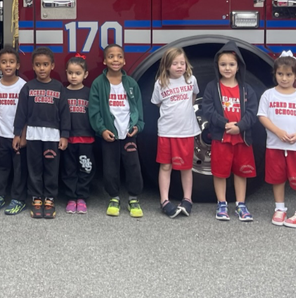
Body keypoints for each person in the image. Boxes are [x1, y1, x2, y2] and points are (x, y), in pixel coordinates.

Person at [199, 42, 260, 222]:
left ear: (238, 66)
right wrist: (225, 124)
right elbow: (207, 109)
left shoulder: (247, 89)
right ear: (217, 66)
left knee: (241, 172)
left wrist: (239, 126)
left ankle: (241, 204)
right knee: (220, 172)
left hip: (242, 139)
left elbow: (252, 112)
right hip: (221, 138)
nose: (227, 68)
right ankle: (222, 203)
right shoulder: (212, 87)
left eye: (231, 64)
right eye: (223, 64)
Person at [257, 50, 296, 228]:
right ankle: (280, 208)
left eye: (288, 74)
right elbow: (262, 116)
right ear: (274, 74)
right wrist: (277, 131)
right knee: (277, 178)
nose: (284, 78)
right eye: (280, 74)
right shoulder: (268, 95)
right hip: (275, 144)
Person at [13, 47, 70, 219]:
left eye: (45, 64)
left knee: (51, 168)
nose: (42, 68)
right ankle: (36, 198)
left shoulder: (59, 87)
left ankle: (50, 199)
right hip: (33, 135)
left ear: (52, 65)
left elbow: (65, 113)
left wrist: (64, 135)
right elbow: (21, 112)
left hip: (52, 135)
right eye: (38, 65)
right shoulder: (28, 87)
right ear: (33, 66)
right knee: (34, 168)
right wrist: (17, 134)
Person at [89, 43, 144, 218]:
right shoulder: (98, 83)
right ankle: (114, 197)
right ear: (105, 61)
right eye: (111, 56)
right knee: (110, 168)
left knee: (133, 165)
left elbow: (138, 110)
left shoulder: (131, 84)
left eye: (119, 56)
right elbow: (94, 111)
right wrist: (102, 129)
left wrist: (138, 126)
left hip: (128, 134)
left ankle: (133, 198)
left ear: (124, 60)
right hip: (109, 135)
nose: (115, 59)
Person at [151, 47, 200, 218]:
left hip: (186, 131)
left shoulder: (191, 80)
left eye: (182, 63)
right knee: (166, 166)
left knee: (186, 167)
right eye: (175, 63)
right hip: (166, 131)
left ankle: (187, 199)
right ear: (166, 66)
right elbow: (158, 103)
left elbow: (193, 97)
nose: (179, 67)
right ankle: (164, 200)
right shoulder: (160, 83)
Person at [0, 48, 27, 215]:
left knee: (19, 169)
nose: (8, 65)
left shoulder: (23, 85)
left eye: (11, 62)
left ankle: (18, 199)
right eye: (4, 62)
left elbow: (26, 114)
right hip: (1, 136)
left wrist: (22, 136)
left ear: (18, 64)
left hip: (17, 136)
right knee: (0, 168)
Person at [61, 55, 94, 214]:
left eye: (78, 73)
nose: (73, 77)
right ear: (66, 73)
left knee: (85, 168)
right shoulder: (62, 92)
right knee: (69, 169)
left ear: (85, 74)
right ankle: (71, 197)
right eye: (70, 73)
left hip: (86, 138)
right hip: (68, 139)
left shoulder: (89, 93)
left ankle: (81, 197)